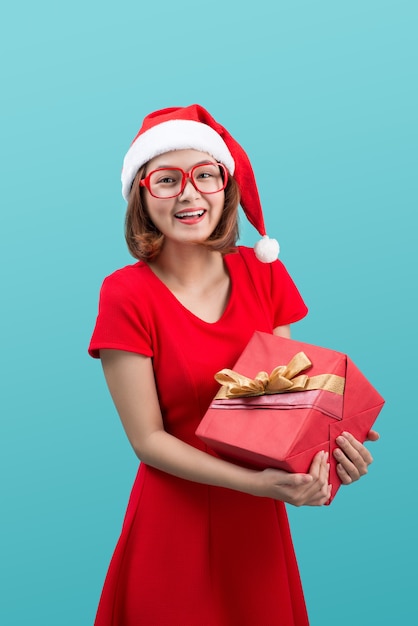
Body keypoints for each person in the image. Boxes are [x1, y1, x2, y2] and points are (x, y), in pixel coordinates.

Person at [88, 104, 378, 626]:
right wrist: (261, 485)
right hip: (171, 522)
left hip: (255, 529)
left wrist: (330, 448)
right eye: (167, 180)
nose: (189, 193)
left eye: (204, 175)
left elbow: (284, 404)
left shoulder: (264, 275)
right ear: (141, 195)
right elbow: (148, 440)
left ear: (226, 187)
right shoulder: (124, 294)